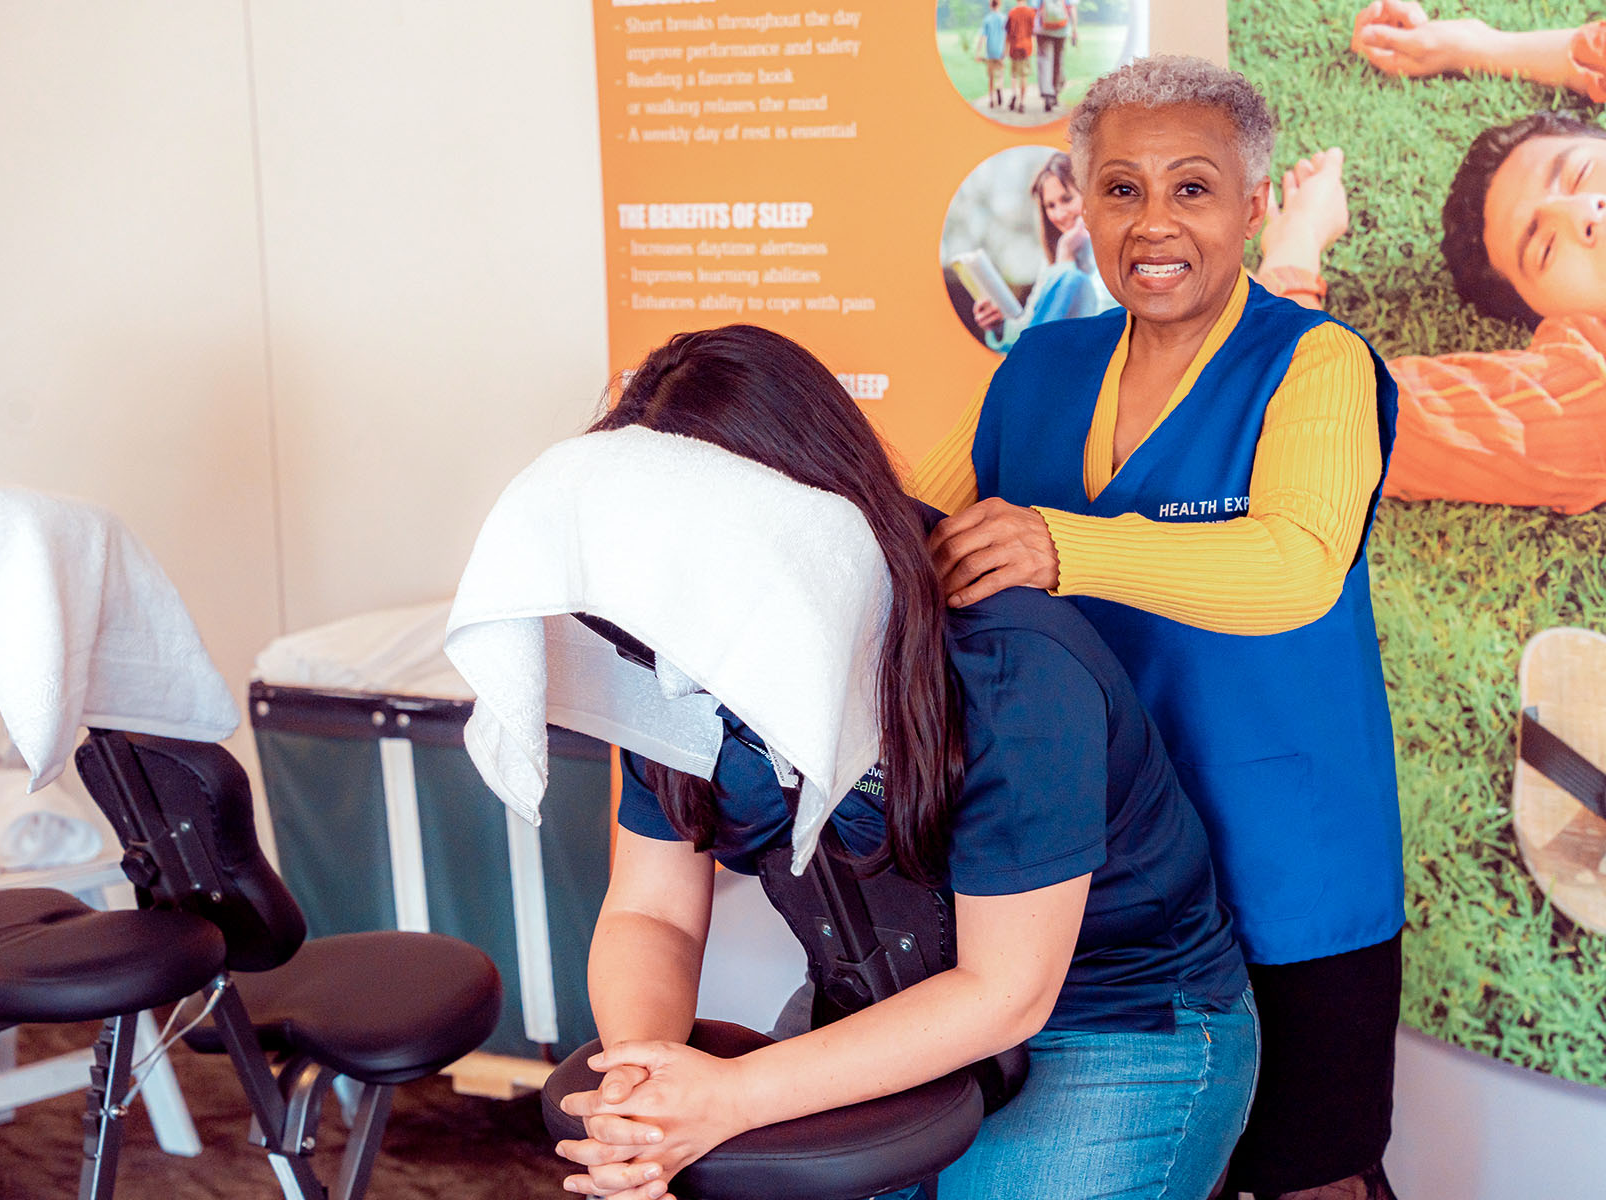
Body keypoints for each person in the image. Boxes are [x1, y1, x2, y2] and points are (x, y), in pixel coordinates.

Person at [550, 325, 1258, 1200]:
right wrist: (641, 1082)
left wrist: (732, 1097)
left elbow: (1006, 992)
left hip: (1101, 1018)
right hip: (877, 992)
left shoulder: (1009, 662)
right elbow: (651, 911)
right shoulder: (668, 646)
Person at [912, 57, 1406, 1200]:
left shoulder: (1315, 363)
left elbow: (1298, 566)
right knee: (1158, 1166)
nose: (1154, 223)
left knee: (1313, 1173)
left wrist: (1063, 546)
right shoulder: (1039, 366)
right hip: (1097, 863)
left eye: (1193, 188)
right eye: (1121, 190)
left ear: (1253, 203)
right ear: (1081, 208)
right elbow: (912, 526)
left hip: (1285, 855)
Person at [1261, 0, 1606, 599]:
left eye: (1581, 175)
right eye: (1545, 249)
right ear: (1562, 322)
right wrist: (1294, 247)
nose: (1584, 215)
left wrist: (1481, 46)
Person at [972, 152, 1118, 353]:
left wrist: (1065, 265)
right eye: (1050, 206)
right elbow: (1033, 327)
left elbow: (1093, 323)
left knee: (1074, 281)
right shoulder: (1055, 260)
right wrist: (999, 326)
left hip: (1101, 360)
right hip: (1057, 362)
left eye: (1067, 199)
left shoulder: (1116, 252)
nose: (1059, 214)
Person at [1034, 0, 1080, 112]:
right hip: (1062, 30)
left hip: (1043, 30)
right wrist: (1074, 30)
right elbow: (1072, 8)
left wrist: (1034, 29)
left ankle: (1047, 94)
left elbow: (1035, 10)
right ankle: (1055, 91)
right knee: (1058, 61)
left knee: (1044, 60)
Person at [1004, 0, 1038, 113]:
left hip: (1014, 47)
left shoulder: (1012, 13)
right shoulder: (1031, 12)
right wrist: (1035, 48)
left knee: (1014, 74)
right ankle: (1022, 102)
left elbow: (1008, 33)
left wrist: (1005, 49)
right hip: (1026, 48)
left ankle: (1014, 94)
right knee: (1023, 76)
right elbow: (1034, 31)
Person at [976, 0, 1008, 109]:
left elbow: (982, 37)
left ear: (990, 5)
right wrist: (1006, 50)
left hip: (990, 51)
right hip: (1001, 51)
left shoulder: (987, 19)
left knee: (991, 77)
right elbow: (1007, 36)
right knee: (1000, 74)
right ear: (1000, 4)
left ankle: (991, 100)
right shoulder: (1004, 18)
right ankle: (999, 87)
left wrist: (978, 52)